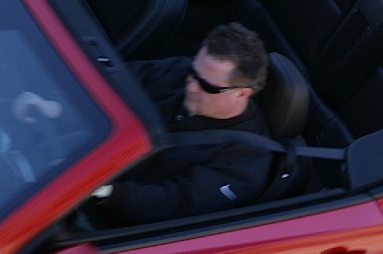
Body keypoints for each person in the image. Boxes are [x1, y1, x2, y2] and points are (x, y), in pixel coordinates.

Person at [95, 23, 274, 224]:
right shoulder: (179, 72)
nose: (191, 87)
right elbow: (114, 82)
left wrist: (106, 192)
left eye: (206, 86)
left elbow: (173, 203)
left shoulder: (247, 162)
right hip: (87, 155)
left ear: (242, 93)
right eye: (193, 72)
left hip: (106, 214)